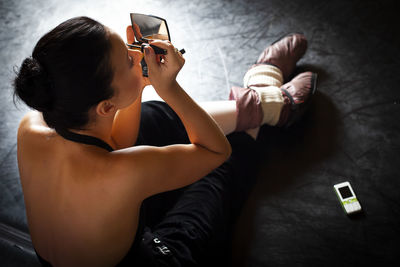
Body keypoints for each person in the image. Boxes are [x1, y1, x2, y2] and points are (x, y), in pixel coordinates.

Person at [13, 16, 316, 267]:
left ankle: (266, 104)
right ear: (105, 105)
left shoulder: (32, 126)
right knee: (221, 167)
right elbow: (214, 150)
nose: (138, 54)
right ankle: (266, 95)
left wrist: (140, 81)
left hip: (92, 222)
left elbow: (118, 142)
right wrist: (169, 87)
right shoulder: (123, 172)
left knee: (152, 116)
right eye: (128, 59)